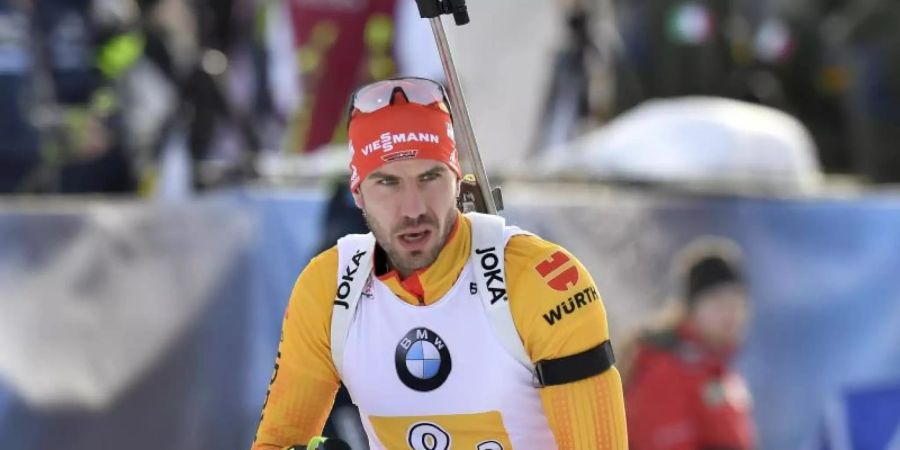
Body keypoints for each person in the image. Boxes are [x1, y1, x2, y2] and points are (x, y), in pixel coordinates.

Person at [251, 77, 627, 449]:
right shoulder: (330, 287)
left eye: (430, 177)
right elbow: (276, 442)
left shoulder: (541, 281)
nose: (413, 208)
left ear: (457, 182)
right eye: (387, 183)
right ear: (358, 194)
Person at [623, 237, 755, 450]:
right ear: (690, 309)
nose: (730, 313)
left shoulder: (718, 371)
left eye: (737, 300)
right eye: (717, 301)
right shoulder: (665, 369)